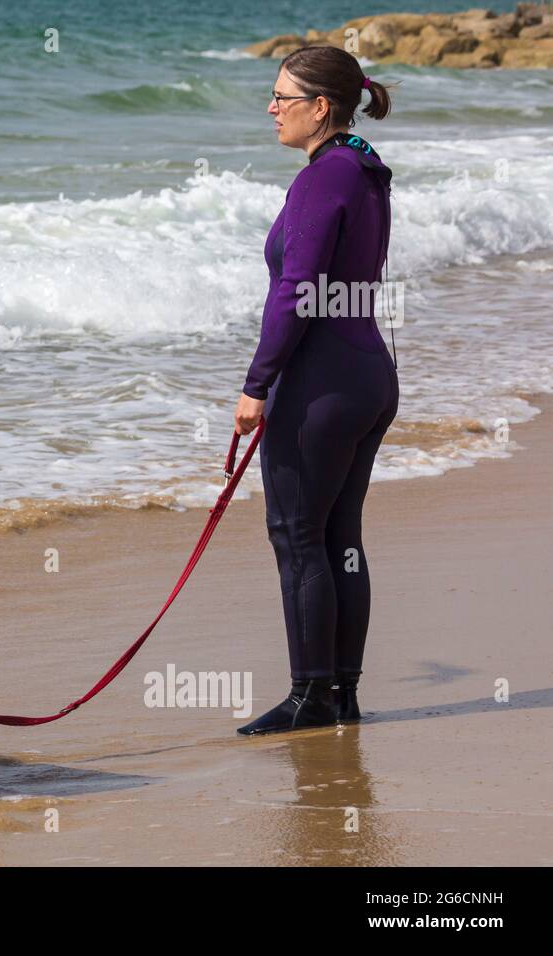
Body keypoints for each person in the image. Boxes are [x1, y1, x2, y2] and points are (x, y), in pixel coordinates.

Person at [233, 45, 399, 735]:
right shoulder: (364, 169)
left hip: (323, 387)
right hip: (369, 376)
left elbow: (297, 292)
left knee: (299, 538)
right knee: (340, 539)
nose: (271, 109)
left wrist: (256, 384)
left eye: (282, 97)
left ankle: (309, 697)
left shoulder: (319, 179)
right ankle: (341, 694)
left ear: (320, 106)